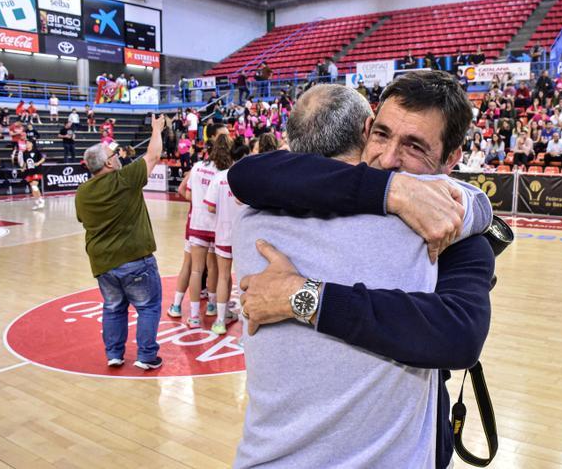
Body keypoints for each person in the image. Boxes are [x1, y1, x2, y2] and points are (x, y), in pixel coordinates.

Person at [229, 74, 493, 468]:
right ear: (366, 128)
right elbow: (248, 174)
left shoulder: (450, 233)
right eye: (382, 135)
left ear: (452, 159)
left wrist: (303, 297)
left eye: (414, 146)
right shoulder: (294, 191)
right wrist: (394, 191)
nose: (388, 159)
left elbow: (459, 335)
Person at [75, 115, 166, 370]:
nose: (117, 156)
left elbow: (84, 220)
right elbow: (153, 156)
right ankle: (146, 356)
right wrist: (156, 129)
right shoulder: (123, 179)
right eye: (112, 155)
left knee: (113, 307)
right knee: (148, 307)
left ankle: (114, 354)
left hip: (103, 263)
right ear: (107, 163)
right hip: (135, 258)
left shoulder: (82, 192)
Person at [203, 136, 249, 334]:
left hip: (222, 234)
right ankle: (246, 328)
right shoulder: (248, 177)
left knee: (223, 277)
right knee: (245, 281)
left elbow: (210, 207)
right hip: (243, 236)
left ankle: (220, 321)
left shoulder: (219, 177)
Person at [181, 142, 220, 328]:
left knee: (196, 270)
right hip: (215, 225)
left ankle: (194, 316)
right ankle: (212, 306)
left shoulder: (196, 168)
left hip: (197, 223)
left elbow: (187, 194)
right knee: (213, 269)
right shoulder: (222, 172)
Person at [19, 139, 46, 210]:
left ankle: (41, 200)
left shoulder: (36, 151)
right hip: (29, 171)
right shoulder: (24, 153)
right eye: (26, 143)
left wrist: (38, 163)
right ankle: (37, 202)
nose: (27, 144)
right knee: (32, 188)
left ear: (32, 144)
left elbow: (43, 159)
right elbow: (25, 162)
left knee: (34, 186)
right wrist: (23, 168)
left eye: (28, 143)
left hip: (37, 170)